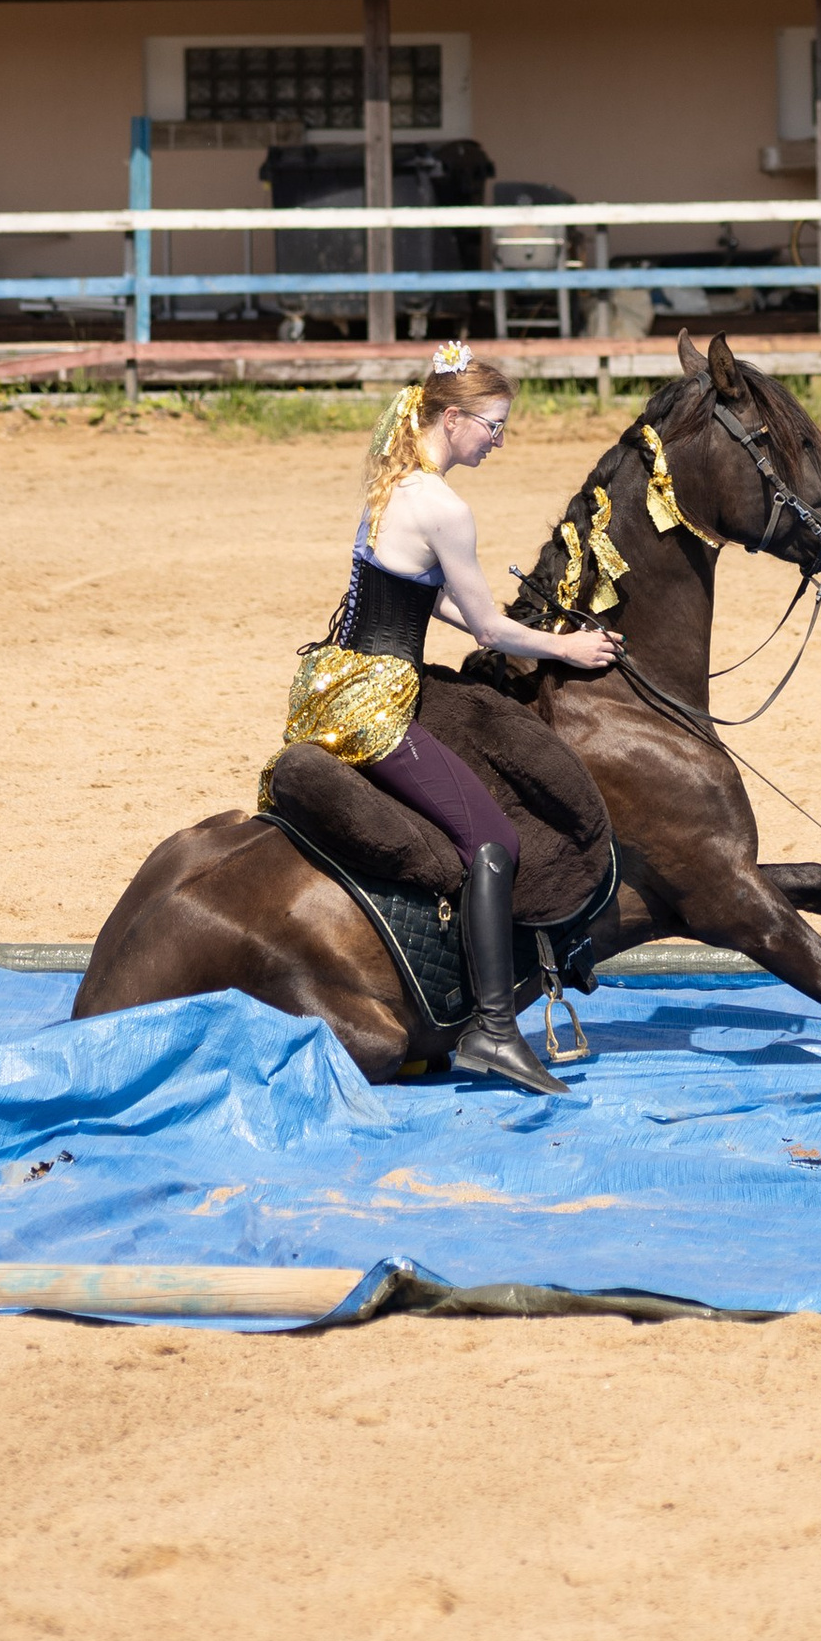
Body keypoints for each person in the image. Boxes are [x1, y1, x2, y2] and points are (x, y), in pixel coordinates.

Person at [281, 339, 618, 1093]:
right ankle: (494, 1031)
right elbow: (493, 631)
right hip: (376, 702)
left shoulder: (395, 482)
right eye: (494, 426)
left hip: (332, 683)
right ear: (457, 418)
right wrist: (569, 647)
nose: (498, 441)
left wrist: (501, 624)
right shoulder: (445, 506)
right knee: (494, 837)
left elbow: (420, 596)